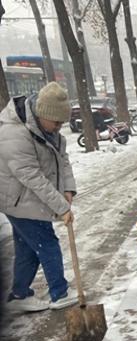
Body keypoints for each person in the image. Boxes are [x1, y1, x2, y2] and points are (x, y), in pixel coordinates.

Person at [0, 82, 80, 313]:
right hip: (18, 200)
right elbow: (31, 176)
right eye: (56, 123)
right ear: (43, 114)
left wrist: (68, 189)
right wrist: (61, 207)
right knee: (47, 245)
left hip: (30, 199)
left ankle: (19, 295)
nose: (59, 127)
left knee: (27, 247)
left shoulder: (48, 130)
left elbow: (62, 161)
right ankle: (59, 293)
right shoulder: (13, 133)